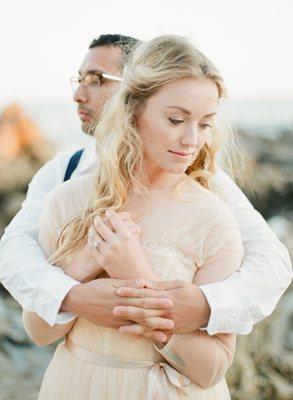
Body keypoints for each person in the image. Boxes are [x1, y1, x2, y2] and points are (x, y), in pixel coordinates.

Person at [19, 34, 287, 399]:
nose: (192, 140)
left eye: (205, 123)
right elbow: (37, 330)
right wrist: (79, 273)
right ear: (133, 110)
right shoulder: (65, 198)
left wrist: (136, 275)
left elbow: (210, 370)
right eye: (176, 119)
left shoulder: (216, 216)